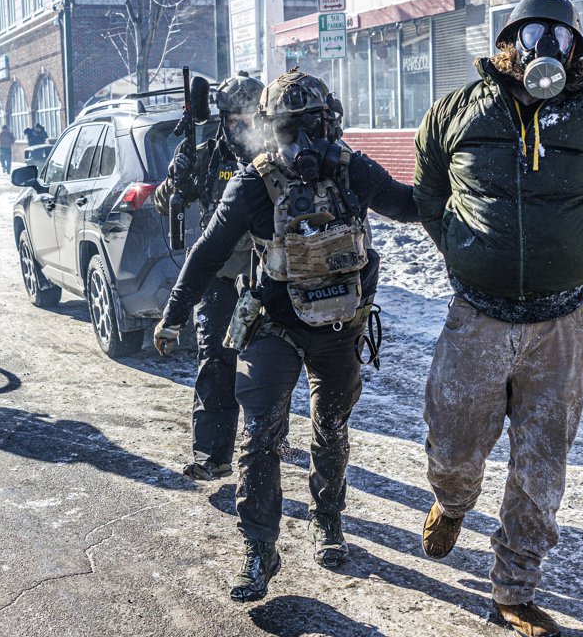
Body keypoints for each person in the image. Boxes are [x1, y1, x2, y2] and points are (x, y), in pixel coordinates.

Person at [413, 0, 583, 637]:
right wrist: (462, 246)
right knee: (454, 442)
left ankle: (515, 588)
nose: (545, 47)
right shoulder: (457, 112)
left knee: (541, 462)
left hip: (562, 323)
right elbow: (430, 186)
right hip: (478, 314)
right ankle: (452, 501)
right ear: (508, 44)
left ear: (575, 49)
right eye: (532, 34)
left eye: (559, 36)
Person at [153, 68, 419, 603]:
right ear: (269, 129)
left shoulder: (352, 170)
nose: (303, 141)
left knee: (331, 428)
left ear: (332, 122)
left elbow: (411, 207)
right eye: (289, 129)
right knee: (260, 436)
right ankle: (258, 548)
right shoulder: (253, 181)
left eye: (312, 125)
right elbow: (207, 253)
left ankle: (328, 521)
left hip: (340, 326)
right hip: (273, 326)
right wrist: (174, 314)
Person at [153, 70, 265, 481]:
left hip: (265, 274)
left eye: (250, 117)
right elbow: (167, 203)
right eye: (235, 119)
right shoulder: (204, 149)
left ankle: (270, 439)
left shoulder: (274, 149)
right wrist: (176, 178)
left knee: (265, 364)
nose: (243, 126)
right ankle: (211, 456)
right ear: (222, 118)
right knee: (215, 360)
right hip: (219, 275)